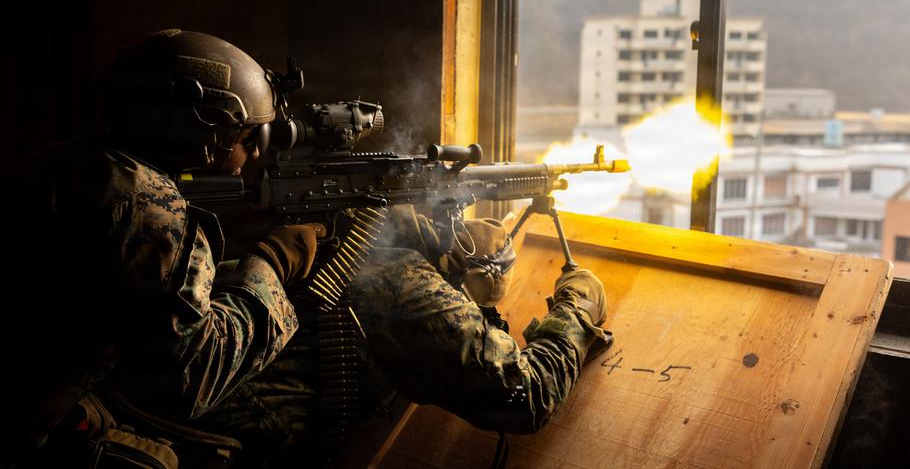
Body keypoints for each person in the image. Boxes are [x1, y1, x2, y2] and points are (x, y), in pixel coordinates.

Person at [2, 29, 610, 468]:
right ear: (207, 141)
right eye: (247, 138)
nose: (259, 151)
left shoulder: (73, 167)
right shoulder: (147, 203)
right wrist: (272, 262)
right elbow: (188, 375)